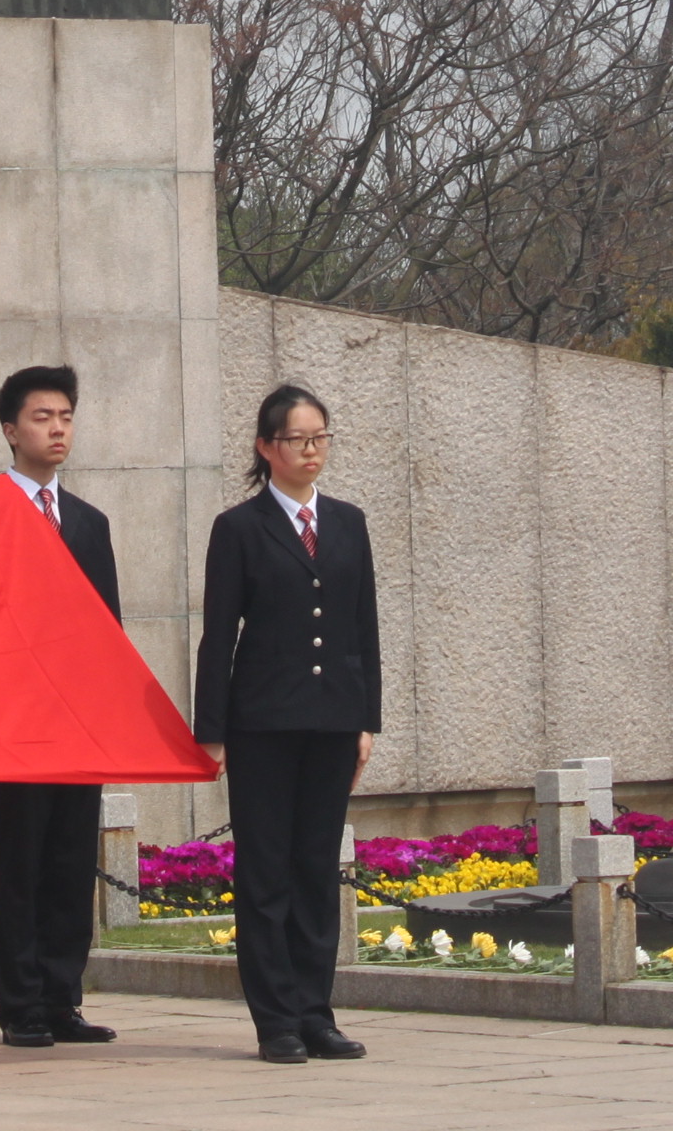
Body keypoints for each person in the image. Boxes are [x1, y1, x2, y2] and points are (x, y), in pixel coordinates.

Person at [192, 383, 380, 1065]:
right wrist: (210, 729)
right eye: (298, 439)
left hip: (333, 721)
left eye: (321, 437)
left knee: (314, 869)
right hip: (263, 725)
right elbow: (219, 635)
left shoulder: (349, 522)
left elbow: (362, 628)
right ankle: (276, 1020)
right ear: (266, 447)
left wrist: (366, 720)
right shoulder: (239, 529)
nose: (311, 450)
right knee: (266, 872)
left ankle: (316, 1012)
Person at [0, 364, 123, 1048]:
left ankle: (64, 998)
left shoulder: (90, 524)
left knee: (70, 862)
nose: (58, 428)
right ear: (10, 430)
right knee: (18, 864)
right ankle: (21, 1005)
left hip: (78, 728)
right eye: (43, 417)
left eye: (65, 416)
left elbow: (108, 633)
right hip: (10, 728)